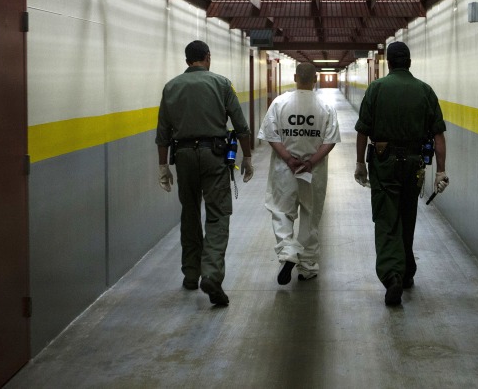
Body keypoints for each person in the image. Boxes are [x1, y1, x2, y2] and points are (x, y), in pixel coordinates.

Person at [155, 40, 255, 306]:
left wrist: (163, 166)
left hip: (184, 155)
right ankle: (210, 274)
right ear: (207, 57)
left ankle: (190, 273)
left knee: (189, 212)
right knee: (218, 214)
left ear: (187, 60)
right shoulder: (222, 83)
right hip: (214, 155)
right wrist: (247, 157)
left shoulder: (171, 87)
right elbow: (241, 125)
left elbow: (162, 132)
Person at [353, 41, 449, 306]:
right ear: (409, 62)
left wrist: (360, 163)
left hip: (384, 162)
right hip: (415, 163)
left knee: (387, 219)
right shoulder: (425, 91)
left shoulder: (377, 88)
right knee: (408, 216)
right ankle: (406, 273)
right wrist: (440, 171)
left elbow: (363, 130)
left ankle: (392, 276)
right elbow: (439, 135)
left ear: (389, 62)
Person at [258, 62, 340, 284]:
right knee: (311, 215)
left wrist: (288, 159)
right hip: (314, 172)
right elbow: (330, 140)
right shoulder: (326, 106)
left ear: (295, 77)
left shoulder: (279, 102)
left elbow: (271, 135)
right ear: (315, 79)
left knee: (282, 212)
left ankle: (287, 252)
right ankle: (307, 266)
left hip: (285, 171)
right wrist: (311, 162)